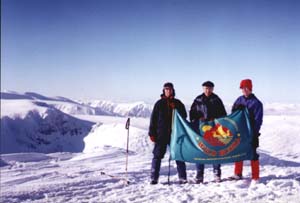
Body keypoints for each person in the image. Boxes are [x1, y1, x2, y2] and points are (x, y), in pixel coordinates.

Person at [148, 82, 188, 185]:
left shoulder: (178, 103)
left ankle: (182, 177)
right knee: (157, 156)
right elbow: (153, 119)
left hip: (175, 134)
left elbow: (184, 116)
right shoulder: (159, 104)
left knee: (178, 155)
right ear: (163, 90)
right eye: (166, 89)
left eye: (170, 89)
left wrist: (176, 108)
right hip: (161, 134)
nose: (168, 91)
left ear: (173, 90)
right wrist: (152, 133)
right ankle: (154, 178)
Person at [190, 81, 227, 183]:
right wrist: (197, 121)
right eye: (206, 88)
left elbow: (223, 114)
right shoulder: (198, 100)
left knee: (215, 150)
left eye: (209, 88)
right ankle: (199, 174)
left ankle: (217, 173)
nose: (208, 90)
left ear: (213, 89)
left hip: (214, 130)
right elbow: (192, 114)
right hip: (201, 130)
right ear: (203, 88)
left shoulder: (217, 100)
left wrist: (216, 120)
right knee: (201, 150)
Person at [229, 79, 263, 183]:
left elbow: (258, 120)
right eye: (242, 88)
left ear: (250, 88)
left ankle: (255, 177)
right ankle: (238, 174)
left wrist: (254, 133)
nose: (244, 90)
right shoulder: (239, 100)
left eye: (246, 88)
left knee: (253, 154)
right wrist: (236, 110)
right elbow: (233, 114)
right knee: (238, 152)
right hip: (240, 132)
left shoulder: (256, 103)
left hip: (251, 133)